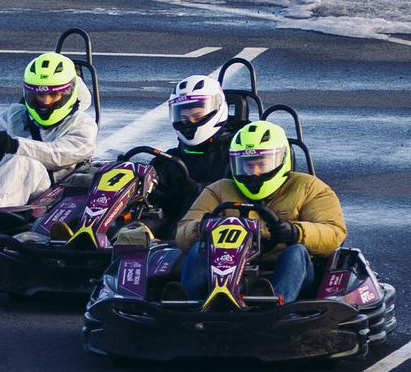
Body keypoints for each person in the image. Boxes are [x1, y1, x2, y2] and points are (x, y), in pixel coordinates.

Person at [172, 119, 347, 304]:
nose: (253, 172)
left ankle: (273, 301)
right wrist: (201, 228)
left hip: (283, 270)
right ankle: (189, 301)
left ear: (281, 159)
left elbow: (335, 232)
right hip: (225, 268)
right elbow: (182, 232)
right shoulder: (219, 190)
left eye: (261, 163)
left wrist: (296, 232)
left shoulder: (309, 187)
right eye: (247, 165)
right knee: (198, 249)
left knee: (297, 252)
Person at [0, 51, 97, 209]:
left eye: (53, 94)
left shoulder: (83, 125)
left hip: (51, 189)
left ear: (68, 92)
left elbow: (58, 154)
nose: (45, 101)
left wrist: (15, 146)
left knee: (23, 162)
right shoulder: (15, 115)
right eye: (40, 94)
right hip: (1, 180)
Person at [149, 72, 250, 221]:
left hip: (220, 229)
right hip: (172, 233)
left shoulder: (240, 154)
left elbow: (247, 193)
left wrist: (197, 190)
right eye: (184, 118)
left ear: (217, 109)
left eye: (197, 116)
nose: (189, 123)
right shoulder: (170, 161)